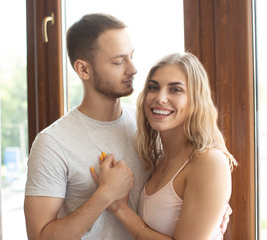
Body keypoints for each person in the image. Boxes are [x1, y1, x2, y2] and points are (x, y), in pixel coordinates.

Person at [24, 13, 152, 240]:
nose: (132, 69)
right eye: (118, 61)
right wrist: (104, 195)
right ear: (83, 69)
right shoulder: (52, 143)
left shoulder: (147, 125)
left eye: (131, 57)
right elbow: (39, 237)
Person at [91, 52, 237, 239]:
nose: (160, 98)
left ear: (196, 99)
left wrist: (120, 208)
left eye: (175, 90)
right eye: (153, 87)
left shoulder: (209, 161)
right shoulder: (158, 158)